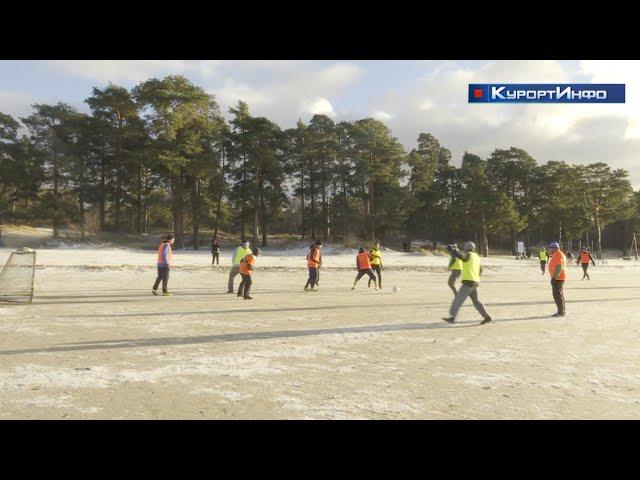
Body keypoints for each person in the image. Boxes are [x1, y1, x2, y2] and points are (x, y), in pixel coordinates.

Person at [442, 242, 492, 325]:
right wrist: (476, 277)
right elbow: (480, 270)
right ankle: (487, 317)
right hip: (475, 282)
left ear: (466, 248)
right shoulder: (477, 257)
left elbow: (461, 256)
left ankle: (452, 317)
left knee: (457, 300)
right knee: (476, 302)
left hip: (468, 282)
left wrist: (454, 250)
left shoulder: (468, 255)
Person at [547, 241, 567, 317]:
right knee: (558, 294)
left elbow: (559, 267)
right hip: (558, 277)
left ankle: (561, 312)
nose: (549, 250)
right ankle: (561, 311)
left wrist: (554, 277)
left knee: (557, 295)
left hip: (558, 278)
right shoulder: (557, 254)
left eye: (550, 248)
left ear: (554, 248)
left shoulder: (558, 254)